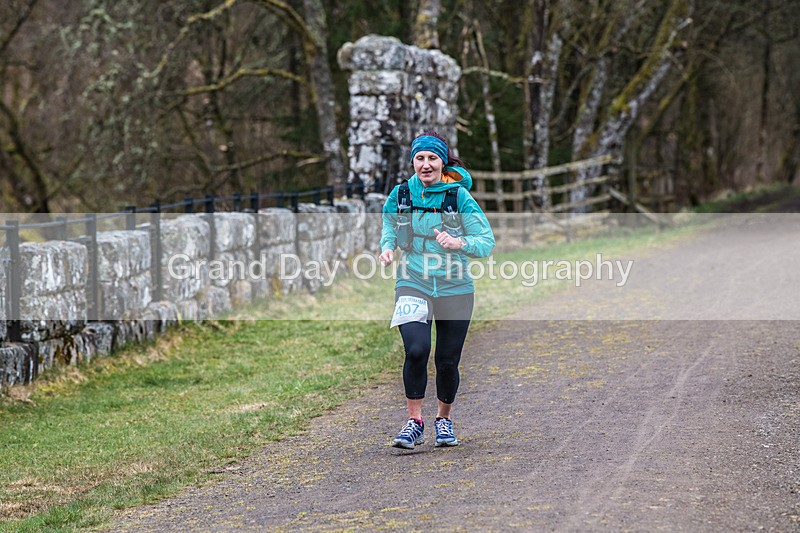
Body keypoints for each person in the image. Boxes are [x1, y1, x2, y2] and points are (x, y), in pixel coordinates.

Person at [379, 130, 495, 449]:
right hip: (412, 280)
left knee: (446, 361)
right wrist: (388, 247)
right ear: (413, 161)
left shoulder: (459, 197)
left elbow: (486, 242)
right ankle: (414, 423)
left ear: (443, 162)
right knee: (416, 350)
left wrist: (460, 243)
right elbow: (390, 223)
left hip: (455, 286)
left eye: (432, 158)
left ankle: (443, 420)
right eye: (420, 158)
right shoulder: (402, 194)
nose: (426, 164)